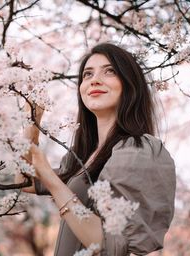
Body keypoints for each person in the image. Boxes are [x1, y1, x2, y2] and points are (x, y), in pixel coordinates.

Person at [16, 43, 176, 256]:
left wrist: (51, 179)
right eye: (87, 74)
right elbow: (24, 181)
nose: (95, 80)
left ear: (130, 85)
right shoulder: (83, 155)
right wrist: (32, 121)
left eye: (109, 71)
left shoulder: (138, 150)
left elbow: (113, 247)